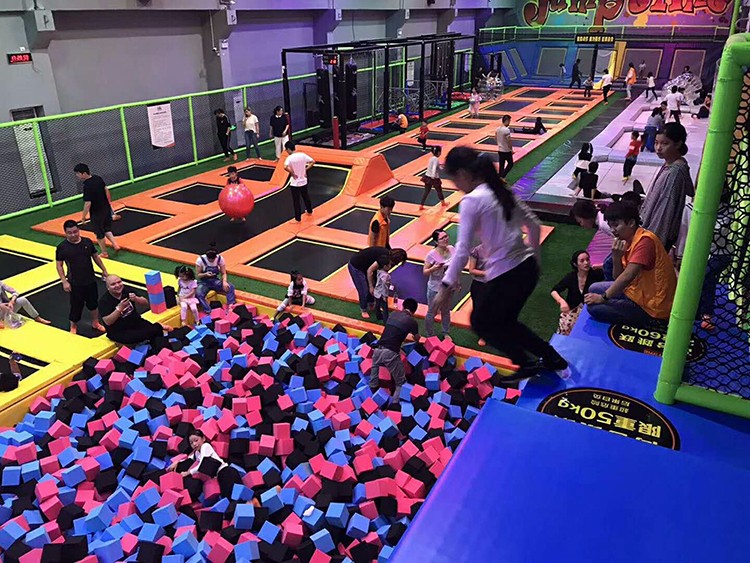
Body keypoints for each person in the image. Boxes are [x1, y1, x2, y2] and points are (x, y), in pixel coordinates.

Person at [432, 147, 568, 378]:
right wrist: (534, 258)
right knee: (505, 322)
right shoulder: (501, 190)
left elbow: (463, 248)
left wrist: (445, 286)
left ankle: (527, 363)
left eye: (454, 180)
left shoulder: (472, 200)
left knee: (481, 322)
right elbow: (534, 225)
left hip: (508, 273)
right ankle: (552, 358)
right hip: (526, 269)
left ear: (463, 174)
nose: (456, 186)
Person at [584, 202, 676, 326]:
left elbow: (627, 277)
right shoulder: (627, 240)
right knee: (593, 288)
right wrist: (616, 258)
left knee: (594, 308)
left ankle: (653, 320)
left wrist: (603, 298)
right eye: (610, 226)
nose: (612, 230)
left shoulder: (645, 242)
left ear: (631, 223)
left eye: (616, 225)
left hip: (653, 305)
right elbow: (618, 277)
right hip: (637, 292)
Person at [640, 123, 694, 250]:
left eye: (664, 143)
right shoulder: (670, 164)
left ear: (678, 144)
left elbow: (664, 211)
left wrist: (650, 242)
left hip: (654, 240)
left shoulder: (674, 173)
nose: (658, 148)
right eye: (656, 143)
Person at [56, 220, 108, 335]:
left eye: (75, 232)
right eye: (70, 233)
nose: (73, 235)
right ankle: (73, 326)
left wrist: (104, 270)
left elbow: (96, 257)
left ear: (78, 230)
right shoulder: (62, 247)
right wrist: (64, 281)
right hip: (74, 282)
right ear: (65, 233)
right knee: (76, 305)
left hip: (90, 280)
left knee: (93, 303)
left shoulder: (87, 242)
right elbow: (59, 265)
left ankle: (95, 322)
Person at [368, 298, 420, 401]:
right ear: (414, 311)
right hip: (390, 353)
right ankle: (394, 406)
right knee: (401, 383)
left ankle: (369, 401)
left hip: (377, 350)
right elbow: (417, 338)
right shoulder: (412, 321)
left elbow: (392, 333)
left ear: (403, 307)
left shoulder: (393, 314)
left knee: (373, 381)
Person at [168, 430, 241, 501]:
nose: (194, 444)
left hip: (227, 472)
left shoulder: (205, 446)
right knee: (229, 499)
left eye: (196, 440)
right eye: (191, 443)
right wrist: (177, 462)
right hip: (220, 476)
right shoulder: (197, 453)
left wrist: (188, 473)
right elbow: (189, 460)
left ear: (203, 438)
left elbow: (202, 464)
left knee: (235, 498)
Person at [99, 275, 167, 346]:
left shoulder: (127, 290)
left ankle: (158, 341)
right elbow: (108, 322)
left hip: (135, 322)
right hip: (118, 331)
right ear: (108, 287)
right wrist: (119, 309)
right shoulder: (104, 301)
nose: (117, 285)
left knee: (155, 331)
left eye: (119, 282)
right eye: (113, 284)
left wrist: (136, 298)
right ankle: (159, 327)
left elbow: (145, 302)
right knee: (142, 335)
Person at [551, 250, 605, 335]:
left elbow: (611, 272)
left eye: (587, 259)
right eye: (582, 261)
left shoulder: (596, 274)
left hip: (590, 309)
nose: (586, 263)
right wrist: (562, 302)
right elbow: (554, 291)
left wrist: (601, 266)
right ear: (575, 264)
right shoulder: (571, 277)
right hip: (573, 308)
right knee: (566, 328)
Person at [76, 163, 120, 259]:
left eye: (78, 173)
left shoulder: (87, 185)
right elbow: (106, 190)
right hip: (105, 208)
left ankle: (104, 252)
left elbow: (88, 203)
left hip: (96, 212)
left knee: (99, 233)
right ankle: (115, 244)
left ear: (84, 173)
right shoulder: (97, 178)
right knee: (107, 228)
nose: (77, 176)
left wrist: (83, 217)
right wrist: (109, 203)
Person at [348, 247, 407, 318]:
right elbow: (369, 271)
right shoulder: (383, 257)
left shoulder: (388, 256)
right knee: (364, 289)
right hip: (356, 266)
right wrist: (371, 286)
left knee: (374, 285)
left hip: (366, 265)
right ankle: (363, 309)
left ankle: (371, 304)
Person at [570, 199, 615, 281]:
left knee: (608, 264)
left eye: (580, 222)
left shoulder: (603, 224)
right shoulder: (601, 217)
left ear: (586, 216)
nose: (582, 225)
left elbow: (624, 239)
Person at [423, 229, 455, 338]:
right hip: (435, 288)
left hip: (448, 286)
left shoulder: (452, 249)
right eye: (442, 238)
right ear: (436, 242)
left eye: (446, 236)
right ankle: (430, 334)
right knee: (432, 311)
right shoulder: (431, 255)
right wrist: (434, 268)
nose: (445, 239)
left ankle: (445, 332)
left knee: (446, 310)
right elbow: (425, 272)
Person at [196, 245, 236, 313]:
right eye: (209, 259)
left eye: (213, 259)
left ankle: (230, 305)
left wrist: (224, 282)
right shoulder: (200, 260)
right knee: (198, 293)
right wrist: (205, 274)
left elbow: (223, 273)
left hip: (215, 281)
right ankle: (208, 310)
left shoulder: (220, 259)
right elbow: (198, 275)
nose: (211, 261)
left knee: (230, 287)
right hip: (204, 282)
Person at [283, 141, 315, 222]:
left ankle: (298, 218)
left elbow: (285, 167)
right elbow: (313, 161)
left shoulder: (290, 158)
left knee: (296, 200)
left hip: (295, 182)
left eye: (286, 150)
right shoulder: (302, 155)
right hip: (303, 180)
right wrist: (305, 169)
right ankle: (309, 210)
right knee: (306, 196)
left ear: (289, 149)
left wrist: (292, 172)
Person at [468, 244, 487, 347]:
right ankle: (482, 334)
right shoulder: (477, 251)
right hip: (479, 285)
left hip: (494, 283)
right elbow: (471, 270)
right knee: (479, 310)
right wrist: (487, 273)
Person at [373, 256, 393, 323]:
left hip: (377, 292)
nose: (390, 266)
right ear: (385, 266)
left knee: (377, 305)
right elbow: (384, 286)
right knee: (385, 308)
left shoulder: (379, 271)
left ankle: (378, 316)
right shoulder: (385, 276)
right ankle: (386, 320)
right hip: (382, 294)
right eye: (389, 265)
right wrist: (384, 296)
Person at [495, 114, 514, 179]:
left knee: (501, 165)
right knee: (510, 164)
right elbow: (509, 140)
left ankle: (500, 177)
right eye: (509, 121)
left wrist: (499, 143)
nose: (509, 123)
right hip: (506, 150)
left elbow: (495, 138)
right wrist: (511, 149)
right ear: (507, 120)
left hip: (500, 149)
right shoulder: (506, 130)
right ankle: (502, 176)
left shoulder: (497, 129)